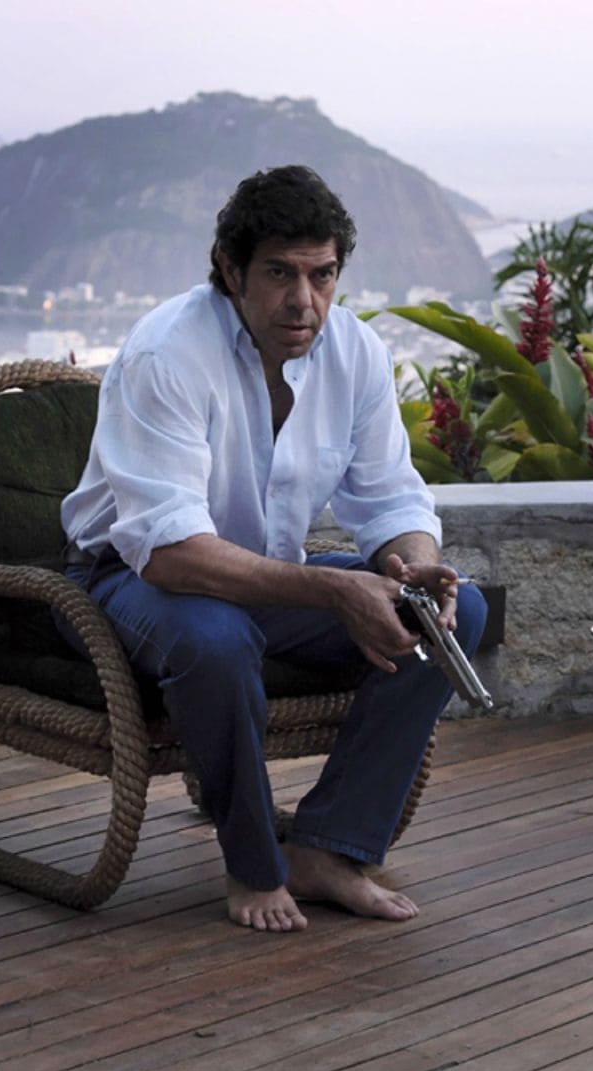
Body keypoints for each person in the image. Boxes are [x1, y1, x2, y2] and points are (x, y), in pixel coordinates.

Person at [60, 164, 487, 932]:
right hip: (129, 577)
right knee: (216, 640)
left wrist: (416, 563)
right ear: (231, 271)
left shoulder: (354, 352)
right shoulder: (168, 354)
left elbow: (390, 498)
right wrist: (334, 590)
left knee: (456, 613)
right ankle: (254, 866)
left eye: (323, 275)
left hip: (260, 573)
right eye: (280, 273)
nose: (304, 300)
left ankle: (328, 848)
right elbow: (169, 552)